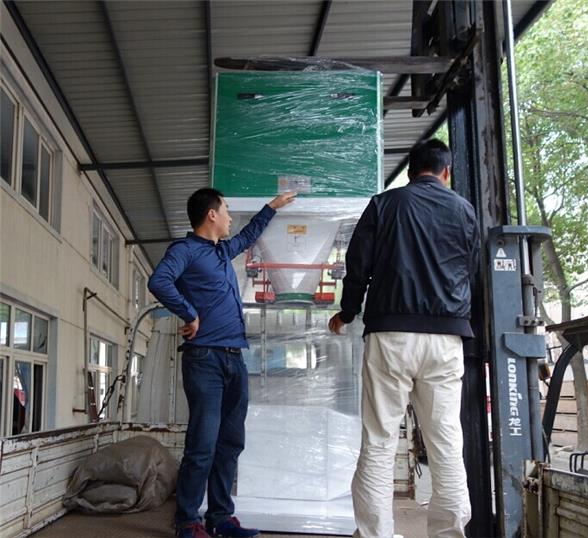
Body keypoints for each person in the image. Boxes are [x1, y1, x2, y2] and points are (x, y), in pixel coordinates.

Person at [328, 139, 479, 538]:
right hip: (445, 338)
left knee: (379, 440)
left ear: (410, 172)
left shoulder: (385, 204)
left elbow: (357, 264)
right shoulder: (464, 210)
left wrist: (348, 311)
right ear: (446, 172)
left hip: (391, 334)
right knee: (445, 441)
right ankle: (449, 533)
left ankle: (375, 533)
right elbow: (471, 272)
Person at [149, 188, 295, 538]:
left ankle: (220, 518)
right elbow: (159, 281)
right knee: (202, 444)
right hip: (205, 359)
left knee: (230, 442)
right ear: (211, 214)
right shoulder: (184, 250)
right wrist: (189, 313)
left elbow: (247, 236)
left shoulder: (221, 251)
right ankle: (187, 522)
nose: (230, 216)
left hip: (234, 358)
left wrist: (271, 207)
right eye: (226, 209)